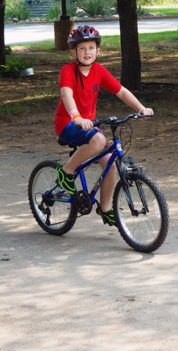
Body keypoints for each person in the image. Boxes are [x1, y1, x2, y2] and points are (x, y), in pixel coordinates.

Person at [54, 25, 153, 226]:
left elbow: (122, 92)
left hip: (89, 125)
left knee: (110, 161)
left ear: (98, 51)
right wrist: (76, 116)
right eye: (82, 48)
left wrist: (141, 108)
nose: (87, 52)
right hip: (68, 124)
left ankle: (106, 209)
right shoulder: (68, 71)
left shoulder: (99, 71)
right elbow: (67, 95)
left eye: (91, 48)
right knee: (99, 139)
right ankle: (66, 172)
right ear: (74, 51)